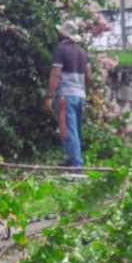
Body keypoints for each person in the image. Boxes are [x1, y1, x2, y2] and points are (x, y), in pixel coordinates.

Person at [45, 21, 93, 169]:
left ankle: (77, 165)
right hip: (80, 95)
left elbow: (55, 74)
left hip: (66, 94)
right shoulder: (82, 52)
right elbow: (89, 76)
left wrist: (49, 96)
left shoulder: (61, 49)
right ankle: (72, 160)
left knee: (67, 128)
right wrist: (90, 93)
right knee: (76, 129)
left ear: (62, 34)